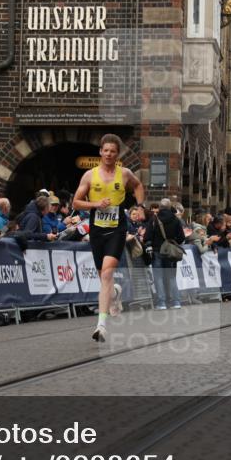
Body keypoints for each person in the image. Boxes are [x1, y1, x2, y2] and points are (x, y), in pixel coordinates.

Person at [73, 134, 145, 342]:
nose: (109, 154)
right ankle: (114, 292)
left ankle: (101, 326)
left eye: (113, 151)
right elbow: (76, 202)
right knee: (103, 278)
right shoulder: (89, 176)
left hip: (117, 229)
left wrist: (139, 207)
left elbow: (138, 186)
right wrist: (95, 204)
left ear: (117, 154)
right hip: (96, 229)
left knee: (106, 274)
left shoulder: (124, 174)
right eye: (106, 150)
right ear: (100, 152)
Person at [147, 197, 186, 310]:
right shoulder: (175, 219)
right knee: (172, 277)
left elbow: (147, 236)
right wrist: (172, 243)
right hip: (170, 252)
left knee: (158, 277)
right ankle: (176, 302)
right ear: (170, 207)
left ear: (160, 207)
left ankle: (161, 303)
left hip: (157, 250)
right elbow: (182, 237)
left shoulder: (154, 219)